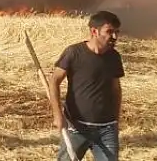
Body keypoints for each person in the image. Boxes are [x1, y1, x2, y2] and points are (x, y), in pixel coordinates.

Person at [49, 10, 125, 161]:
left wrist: (115, 121)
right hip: (76, 127)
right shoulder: (74, 53)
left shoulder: (114, 57)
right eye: (109, 32)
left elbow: (116, 89)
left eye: (116, 32)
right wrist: (58, 115)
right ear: (94, 31)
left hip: (107, 129)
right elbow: (54, 81)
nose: (114, 37)